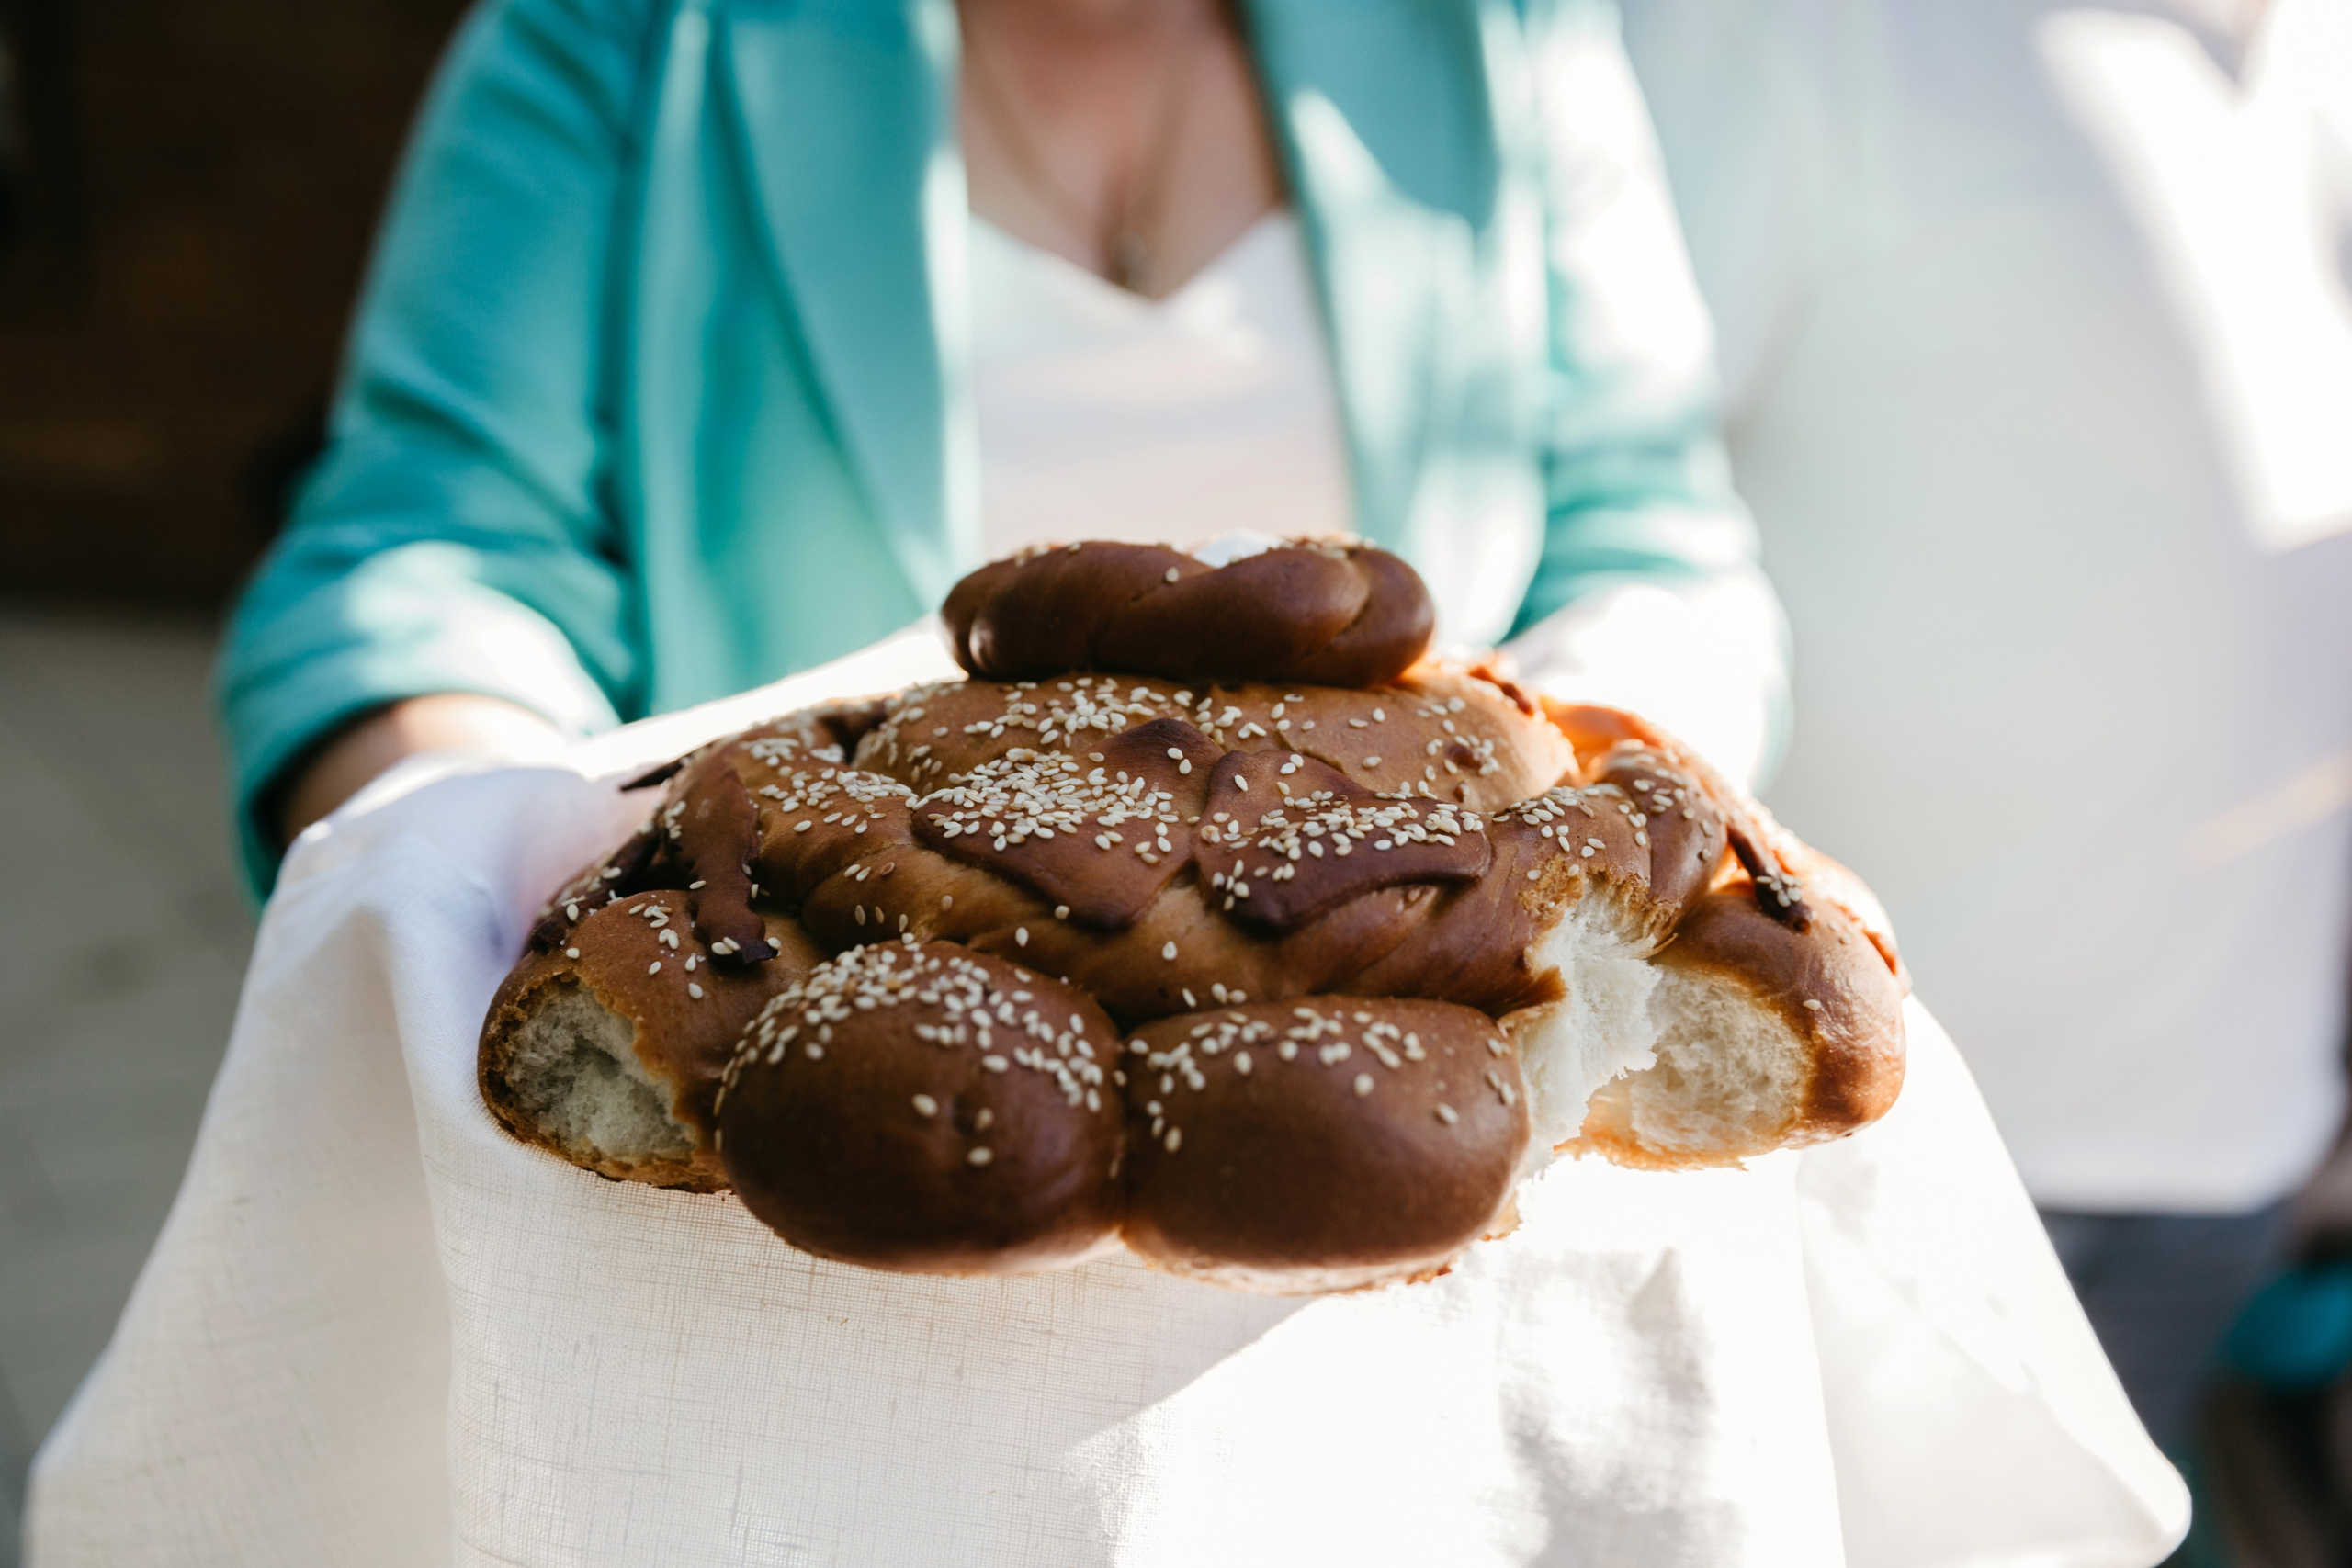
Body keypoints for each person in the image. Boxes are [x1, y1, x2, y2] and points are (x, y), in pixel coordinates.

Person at [217, 0, 1787, 898]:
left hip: (1420, 1041)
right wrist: (489, 860)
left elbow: (1646, 540)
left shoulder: (1499, 33)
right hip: (797, 1077)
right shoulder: (627, 36)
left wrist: (1569, 836)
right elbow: (432, 549)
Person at [1619, 0, 2352, 1472]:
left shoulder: (2323, 52)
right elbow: (1599, 506)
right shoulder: (1792, 32)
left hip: (2241, 1157)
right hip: (1863, 1167)